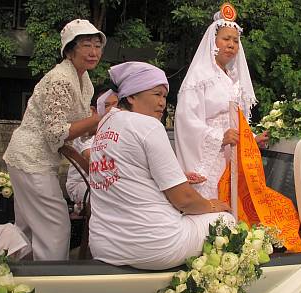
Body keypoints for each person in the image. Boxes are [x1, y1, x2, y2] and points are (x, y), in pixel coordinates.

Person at [89, 62, 235, 270]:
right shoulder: (148, 125)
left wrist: (179, 177)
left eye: (164, 96)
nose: (162, 103)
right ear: (131, 96)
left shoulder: (105, 125)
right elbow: (184, 200)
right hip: (154, 245)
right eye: (156, 94)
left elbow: (128, 172)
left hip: (104, 246)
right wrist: (211, 205)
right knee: (225, 220)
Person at [3, 19, 106, 260]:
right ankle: (50, 285)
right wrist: (100, 117)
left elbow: (80, 129)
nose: (93, 52)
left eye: (97, 46)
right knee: (56, 226)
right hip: (31, 160)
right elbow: (56, 132)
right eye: (86, 45)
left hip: (36, 161)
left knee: (26, 229)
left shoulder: (84, 81)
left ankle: (12, 280)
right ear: (69, 50)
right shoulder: (60, 78)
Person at [174, 6, 269, 200]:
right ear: (213, 42)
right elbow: (186, 121)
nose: (231, 44)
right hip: (210, 157)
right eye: (226, 39)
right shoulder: (199, 77)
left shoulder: (233, 80)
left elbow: (234, 122)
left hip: (232, 156)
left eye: (235, 40)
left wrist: (251, 138)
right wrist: (219, 137)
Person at [66, 89, 118, 208]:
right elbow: (92, 159)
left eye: (116, 105)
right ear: (94, 110)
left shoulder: (117, 129)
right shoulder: (87, 132)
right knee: (113, 194)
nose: (113, 110)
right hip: (82, 183)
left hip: (106, 180)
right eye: (107, 106)